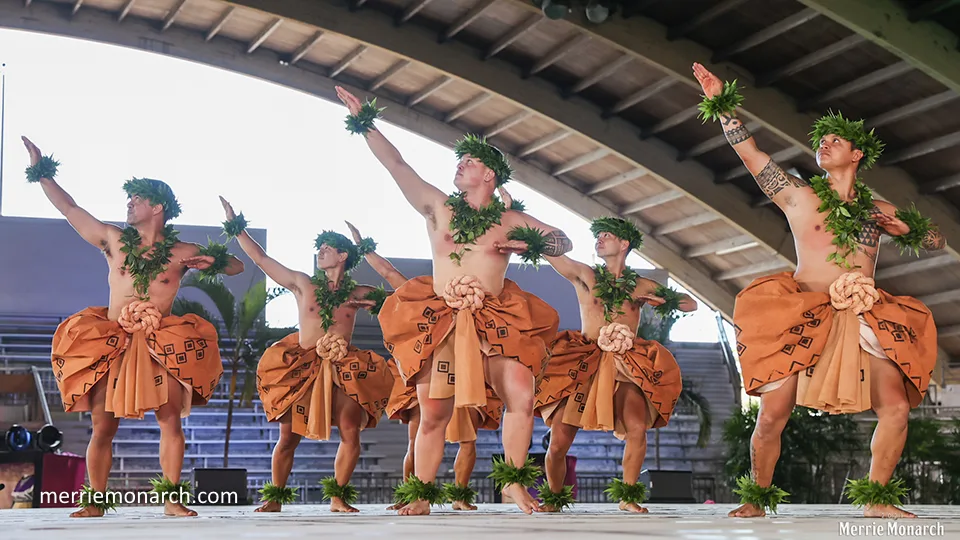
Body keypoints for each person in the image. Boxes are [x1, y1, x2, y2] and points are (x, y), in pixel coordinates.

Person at [692, 63, 943, 519]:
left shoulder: (876, 208)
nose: (823, 145)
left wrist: (906, 228)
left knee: (897, 409)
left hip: (866, 313)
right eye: (821, 142)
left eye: (834, 141)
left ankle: (877, 501)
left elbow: (937, 241)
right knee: (772, 414)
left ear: (857, 155)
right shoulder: (799, 195)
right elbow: (752, 157)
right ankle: (756, 497)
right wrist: (724, 107)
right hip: (804, 310)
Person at [336, 86, 566, 515]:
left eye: (471, 161)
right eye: (460, 161)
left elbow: (561, 239)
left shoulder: (510, 219)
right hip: (443, 316)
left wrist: (530, 242)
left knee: (521, 392)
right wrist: (366, 121)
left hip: (497, 317)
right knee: (434, 410)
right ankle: (421, 493)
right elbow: (397, 165)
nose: (460, 164)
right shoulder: (439, 206)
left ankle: (514, 483)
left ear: (490, 176)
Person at [22, 137, 245, 517]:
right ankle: (95, 503)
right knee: (102, 425)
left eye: (136, 199)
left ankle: (172, 500)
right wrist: (42, 171)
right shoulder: (113, 240)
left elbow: (236, 267)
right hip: (113, 340)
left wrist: (213, 261)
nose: (129, 204)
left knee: (170, 418)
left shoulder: (180, 252)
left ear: (157, 207)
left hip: (161, 342)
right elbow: (70, 209)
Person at [217, 199, 394, 513]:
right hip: (303, 365)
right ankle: (275, 497)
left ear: (343, 256)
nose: (321, 251)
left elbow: (401, 296)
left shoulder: (358, 295)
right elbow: (261, 258)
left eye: (328, 248)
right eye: (320, 248)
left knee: (350, 430)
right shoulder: (303, 284)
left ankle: (338, 497)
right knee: (288, 437)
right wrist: (237, 227)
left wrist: (366, 248)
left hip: (344, 366)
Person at [533, 215, 695, 513]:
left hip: (625, 363)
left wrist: (665, 299)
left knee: (637, 429)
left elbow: (690, 304)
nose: (600, 239)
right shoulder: (585, 274)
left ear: (624, 244)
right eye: (598, 235)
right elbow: (552, 254)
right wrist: (525, 228)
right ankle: (554, 498)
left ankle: (628, 496)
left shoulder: (641, 285)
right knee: (558, 443)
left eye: (606, 235)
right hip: (584, 360)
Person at [345, 221, 501, 511]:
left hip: (470, 366)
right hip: (432, 366)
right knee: (418, 434)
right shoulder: (425, 295)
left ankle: (460, 496)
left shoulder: (481, 293)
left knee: (468, 439)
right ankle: (412, 495)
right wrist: (364, 246)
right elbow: (389, 272)